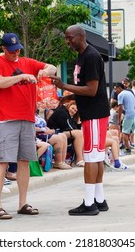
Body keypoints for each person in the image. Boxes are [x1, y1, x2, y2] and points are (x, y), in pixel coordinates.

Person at [0, 32, 57, 220]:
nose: (15, 53)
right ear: (3, 49)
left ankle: (22, 203)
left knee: (24, 160)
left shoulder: (27, 61)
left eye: (18, 49)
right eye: (12, 50)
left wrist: (45, 70)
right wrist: (22, 77)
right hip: (6, 119)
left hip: (27, 119)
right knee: (2, 161)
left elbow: (52, 68)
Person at [51, 25, 110, 216]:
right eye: (66, 38)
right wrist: (69, 97)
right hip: (94, 113)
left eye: (70, 38)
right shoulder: (83, 55)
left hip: (94, 114)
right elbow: (86, 88)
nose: (67, 41)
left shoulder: (91, 57)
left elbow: (92, 89)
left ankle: (89, 203)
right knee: (97, 156)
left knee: (91, 158)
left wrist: (64, 86)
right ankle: (99, 200)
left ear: (81, 36)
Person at [47, 97, 85, 167]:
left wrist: (79, 120)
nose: (73, 111)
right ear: (69, 105)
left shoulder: (70, 117)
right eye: (73, 108)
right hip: (54, 132)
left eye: (75, 111)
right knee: (79, 133)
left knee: (81, 134)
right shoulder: (62, 112)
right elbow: (69, 128)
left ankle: (81, 158)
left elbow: (74, 127)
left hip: (61, 132)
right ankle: (79, 159)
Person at [117, 77, 135, 156]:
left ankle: (127, 148)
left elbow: (120, 107)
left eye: (116, 89)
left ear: (119, 88)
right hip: (134, 114)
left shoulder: (120, 95)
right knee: (134, 131)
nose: (115, 91)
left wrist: (119, 118)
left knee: (125, 132)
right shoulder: (130, 93)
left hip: (128, 115)